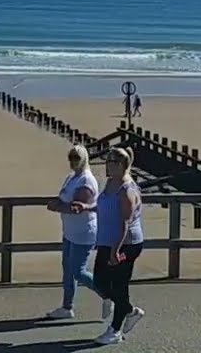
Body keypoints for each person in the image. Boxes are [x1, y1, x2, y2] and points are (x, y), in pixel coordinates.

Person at [92, 147, 146, 345]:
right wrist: (86, 208)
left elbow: (125, 222)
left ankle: (115, 330)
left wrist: (116, 250)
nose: (107, 165)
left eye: (112, 162)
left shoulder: (127, 190)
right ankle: (130, 310)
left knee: (118, 285)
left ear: (122, 166)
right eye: (107, 161)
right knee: (100, 282)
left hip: (125, 243)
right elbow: (103, 205)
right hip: (106, 241)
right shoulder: (110, 183)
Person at [44, 144, 102, 320]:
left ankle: (108, 294)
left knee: (78, 271)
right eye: (71, 158)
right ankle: (67, 307)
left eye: (76, 158)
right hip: (70, 230)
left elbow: (76, 207)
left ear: (84, 159)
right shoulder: (71, 177)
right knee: (67, 269)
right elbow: (64, 199)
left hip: (83, 232)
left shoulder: (86, 180)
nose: (73, 162)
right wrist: (58, 204)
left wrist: (56, 207)